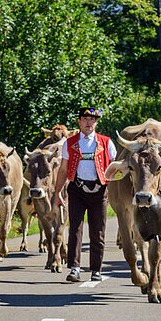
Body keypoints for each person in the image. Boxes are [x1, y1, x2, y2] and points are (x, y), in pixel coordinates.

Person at [52, 107, 117, 282]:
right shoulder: (70, 143)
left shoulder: (106, 142)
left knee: (98, 232)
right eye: (85, 119)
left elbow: (114, 168)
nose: (89, 123)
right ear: (79, 121)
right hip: (77, 190)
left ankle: (96, 270)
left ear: (96, 122)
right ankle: (74, 268)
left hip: (99, 190)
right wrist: (58, 192)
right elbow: (63, 169)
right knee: (75, 230)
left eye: (92, 120)